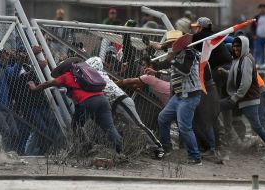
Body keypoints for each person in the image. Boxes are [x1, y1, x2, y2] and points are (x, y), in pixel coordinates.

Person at [28, 57, 123, 153]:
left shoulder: (66, 75)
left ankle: (87, 147)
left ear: (62, 70)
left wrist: (35, 88)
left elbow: (49, 83)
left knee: (76, 125)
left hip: (87, 102)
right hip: (103, 100)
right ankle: (120, 152)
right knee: (109, 127)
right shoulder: (85, 73)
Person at [85, 56, 165, 159]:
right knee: (106, 125)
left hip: (121, 101)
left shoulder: (98, 76)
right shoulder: (98, 75)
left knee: (137, 125)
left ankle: (158, 148)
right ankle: (112, 147)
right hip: (113, 104)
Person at [151, 33, 203, 165]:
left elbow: (185, 70)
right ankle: (167, 148)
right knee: (163, 118)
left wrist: (172, 60)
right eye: (168, 44)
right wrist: (153, 66)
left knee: (184, 127)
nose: (169, 47)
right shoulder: (176, 53)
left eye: (171, 44)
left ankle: (195, 157)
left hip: (190, 95)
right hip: (179, 96)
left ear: (178, 43)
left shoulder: (190, 53)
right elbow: (163, 65)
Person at [220, 36, 265, 160]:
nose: (235, 48)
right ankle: (228, 143)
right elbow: (237, 75)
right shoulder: (238, 59)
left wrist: (235, 97)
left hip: (248, 99)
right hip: (241, 98)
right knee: (217, 107)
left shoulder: (246, 59)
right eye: (234, 46)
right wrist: (226, 73)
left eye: (238, 46)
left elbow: (246, 82)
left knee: (257, 126)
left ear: (244, 46)